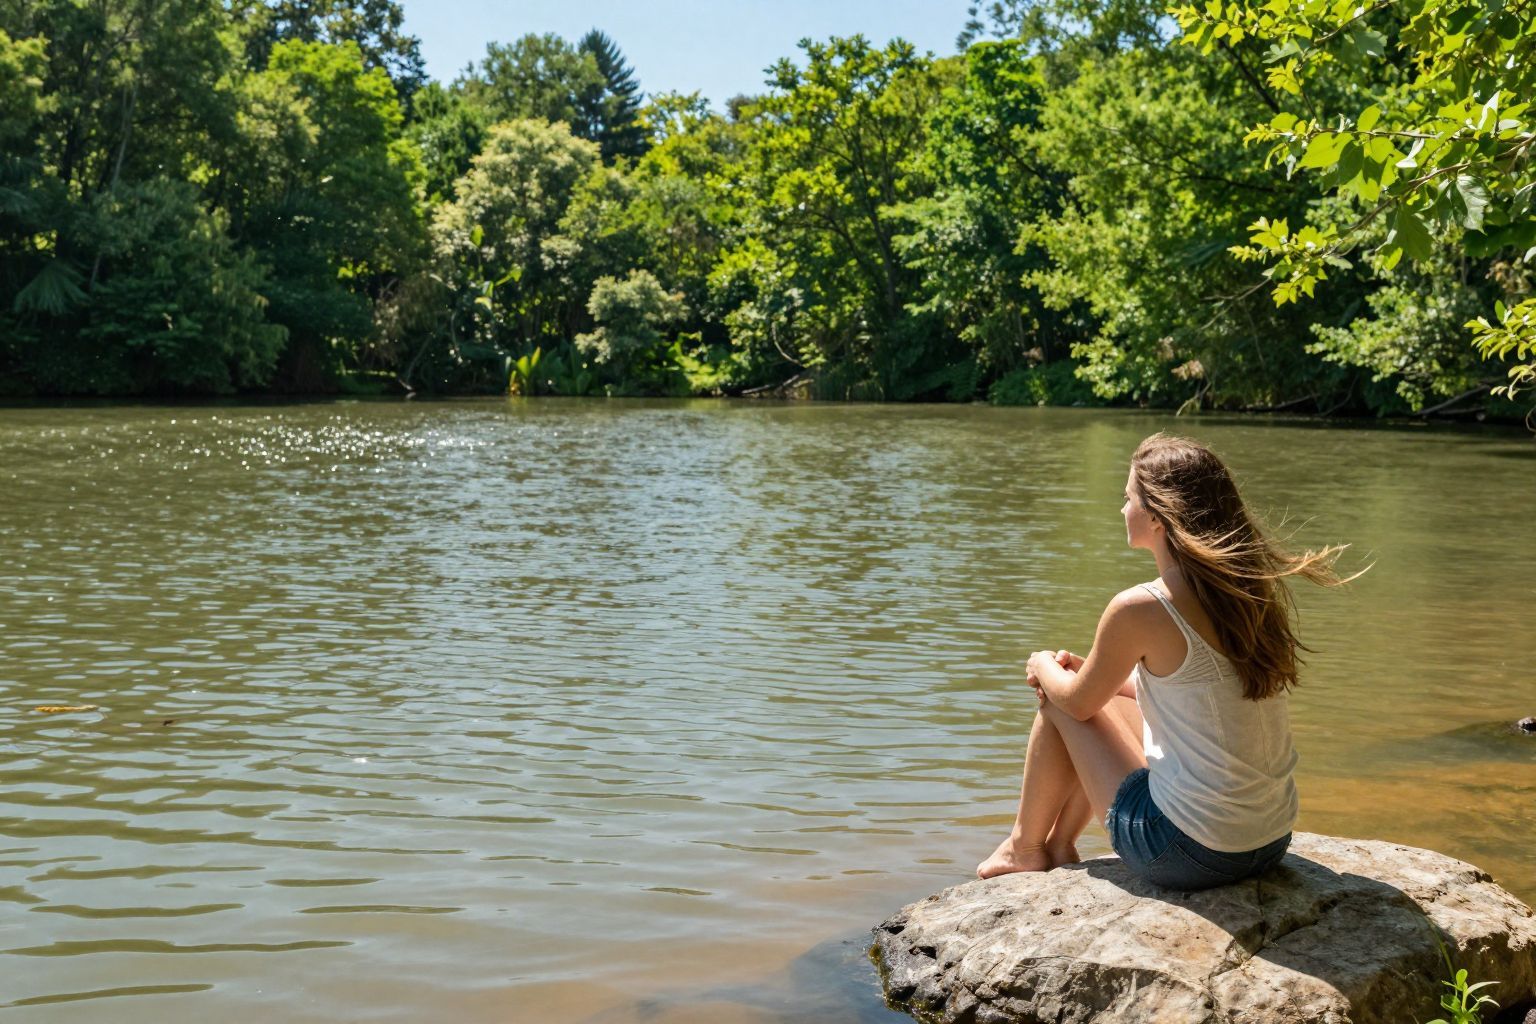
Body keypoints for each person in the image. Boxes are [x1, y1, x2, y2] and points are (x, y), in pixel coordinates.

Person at [976, 433, 1354, 891]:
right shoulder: (1247, 592)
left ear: (1156, 516)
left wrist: (1042, 665)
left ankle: (1024, 846)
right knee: (1090, 693)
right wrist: (1089, 670)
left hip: (1186, 854)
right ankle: (1057, 847)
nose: (1122, 509)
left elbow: (1075, 705)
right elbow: (1191, 690)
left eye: (1127, 498)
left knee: (1059, 703)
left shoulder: (1141, 607)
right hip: (1267, 844)